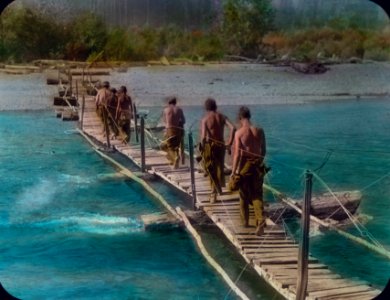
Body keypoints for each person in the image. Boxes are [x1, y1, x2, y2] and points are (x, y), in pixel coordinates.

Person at [230, 106, 266, 236]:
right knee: (257, 194)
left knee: (244, 194)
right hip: (258, 164)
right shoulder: (260, 130)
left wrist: (234, 172)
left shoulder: (239, 133)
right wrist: (258, 163)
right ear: (249, 116)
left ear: (240, 118)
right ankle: (260, 221)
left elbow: (237, 155)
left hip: (245, 165)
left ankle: (245, 222)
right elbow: (263, 151)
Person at [200, 98, 235, 203]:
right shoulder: (222, 117)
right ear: (215, 106)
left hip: (211, 146)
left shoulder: (205, 119)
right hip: (221, 145)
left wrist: (201, 148)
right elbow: (233, 128)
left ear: (206, 107)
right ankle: (219, 189)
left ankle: (213, 192)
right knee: (220, 166)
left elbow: (203, 137)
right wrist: (229, 142)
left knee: (211, 169)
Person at [161, 97, 185, 169]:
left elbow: (165, 122)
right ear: (175, 103)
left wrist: (165, 131)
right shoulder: (180, 110)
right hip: (178, 131)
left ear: (169, 103)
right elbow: (184, 121)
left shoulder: (166, 110)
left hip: (169, 130)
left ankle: (175, 158)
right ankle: (175, 161)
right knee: (176, 146)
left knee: (166, 146)